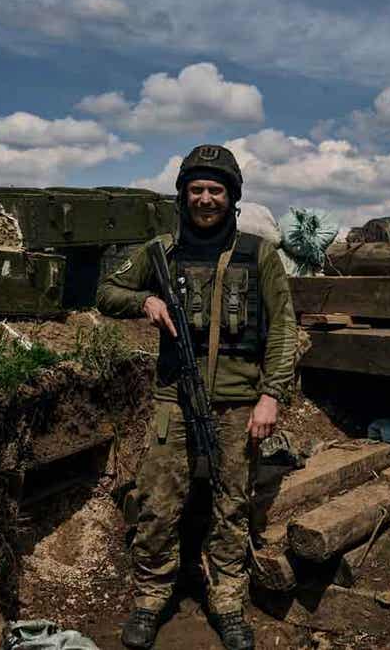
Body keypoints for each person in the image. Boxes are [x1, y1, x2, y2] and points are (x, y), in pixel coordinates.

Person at [97, 144, 298, 650]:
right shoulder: (160, 252)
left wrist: (271, 395)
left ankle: (226, 597)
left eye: (216, 190)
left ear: (231, 197)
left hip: (237, 405)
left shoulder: (259, 254)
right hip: (173, 401)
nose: (206, 199)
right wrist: (143, 298)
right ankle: (151, 596)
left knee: (232, 504)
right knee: (158, 503)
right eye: (197, 190)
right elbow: (105, 293)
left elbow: (283, 330)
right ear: (184, 196)